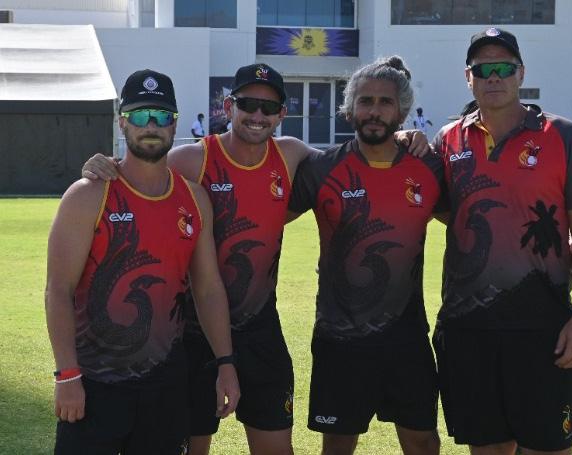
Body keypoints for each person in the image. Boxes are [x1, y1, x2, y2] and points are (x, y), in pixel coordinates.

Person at [82, 62, 430, 455]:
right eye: (248, 104)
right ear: (228, 107)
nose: (258, 115)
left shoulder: (292, 155)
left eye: (269, 108)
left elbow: (353, 160)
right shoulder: (193, 160)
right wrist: (103, 164)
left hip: (260, 330)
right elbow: (137, 172)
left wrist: (401, 136)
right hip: (192, 333)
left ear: (282, 114)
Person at [430, 27, 572, 455]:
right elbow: (444, 208)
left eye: (504, 68)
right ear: (468, 78)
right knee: (487, 450)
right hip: (468, 328)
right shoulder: (447, 140)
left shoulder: (563, 136)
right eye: (482, 69)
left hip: (543, 328)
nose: (493, 77)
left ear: (521, 73)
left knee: (547, 449)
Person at [45, 69, 239, 455]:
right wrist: (67, 375)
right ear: (122, 122)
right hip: (94, 383)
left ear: (175, 124)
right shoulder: (88, 195)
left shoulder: (195, 199)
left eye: (162, 115)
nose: (151, 125)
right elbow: (58, 290)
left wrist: (226, 363)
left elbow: (208, 288)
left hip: (164, 383)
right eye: (139, 115)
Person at [288, 56, 445, 455]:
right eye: (365, 101)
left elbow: (472, 220)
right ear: (350, 108)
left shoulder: (429, 167)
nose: (374, 111)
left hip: (406, 336)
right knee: (338, 446)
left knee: (423, 442)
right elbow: (268, 218)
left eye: (385, 102)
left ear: (401, 111)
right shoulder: (321, 168)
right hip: (340, 338)